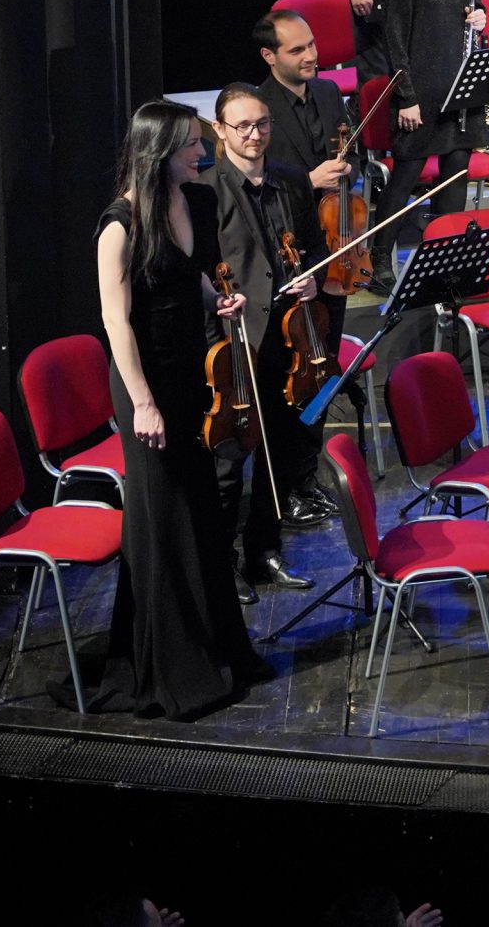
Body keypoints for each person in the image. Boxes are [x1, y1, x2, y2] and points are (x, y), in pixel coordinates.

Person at [81, 101, 272, 718]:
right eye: (193, 143)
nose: (204, 151)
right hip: (146, 384)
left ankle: (215, 648)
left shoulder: (199, 202)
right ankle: (164, 665)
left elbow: (189, 274)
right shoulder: (120, 225)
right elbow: (117, 322)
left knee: (201, 515)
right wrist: (141, 403)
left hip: (193, 374)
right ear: (160, 152)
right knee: (160, 518)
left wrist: (219, 298)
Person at [207, 84, 333, 595]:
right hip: (238, 337)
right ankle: (222, 565)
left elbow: (313, 247)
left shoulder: (290, 181)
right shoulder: (206, 188)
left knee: (280, 449)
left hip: (291, 332)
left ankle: (264, 551)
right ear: (219, 130)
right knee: (230, 460)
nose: (254, 135)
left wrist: (313, 278)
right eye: (242, 126)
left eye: (261, 124)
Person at [367, 0, 488, 288]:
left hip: (460, 88)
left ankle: (448, 259)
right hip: (420, 91)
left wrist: (481, 17)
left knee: (455, 174)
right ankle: (379, 258)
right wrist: (406, 97)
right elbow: (394, 37)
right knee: (405, 176)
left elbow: (473, 20)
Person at [252, 8, 355, 374]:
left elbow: (351, 153)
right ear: (270, 56)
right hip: (290, 249)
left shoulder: (328, 92)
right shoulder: (258, 108)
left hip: (335, 244)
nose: (311, 55)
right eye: (297, 50)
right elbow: (256, 181)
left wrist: (346, 168)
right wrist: (310, 181)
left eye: (311, 45)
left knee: (329, 351)